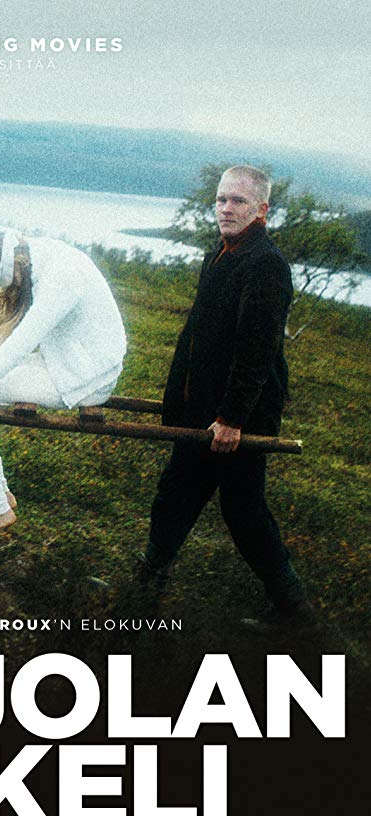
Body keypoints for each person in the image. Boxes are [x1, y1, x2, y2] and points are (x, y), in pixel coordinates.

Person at [139, 165, 317, 635]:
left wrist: (233, 418)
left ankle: (296, 611)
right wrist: (179, 402)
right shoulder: (218, 255)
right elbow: (199, 334)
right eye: (221, 199)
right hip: (206, 410)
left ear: (262, 210)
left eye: (238, 201)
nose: (225, 208)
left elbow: (256, 350)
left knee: (242, 509)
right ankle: (146, 583)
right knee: (178, 490)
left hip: (241, 416)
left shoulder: (266, 265)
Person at [0, 230, 126, 548]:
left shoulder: (61, 276)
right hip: (71, 362)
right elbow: (10, 339)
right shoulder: (42, 256)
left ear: (15, 271)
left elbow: (19, 346)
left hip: (85, 377)